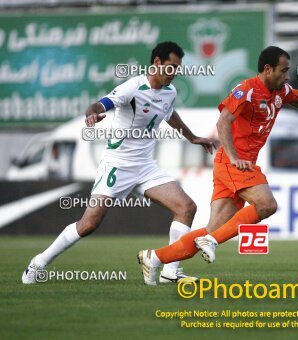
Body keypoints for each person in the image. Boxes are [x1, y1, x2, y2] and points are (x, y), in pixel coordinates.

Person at [137, 46, 298, 285]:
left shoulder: (281, 91)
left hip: (235, 164)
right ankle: (212, 243)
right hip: (234, 163)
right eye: (283, 71)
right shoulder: (247, 90)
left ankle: (156, 258)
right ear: (268, 69)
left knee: (213, 229)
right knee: (266, 205)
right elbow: (223, 123)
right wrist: (232, 157)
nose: (287, 76)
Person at [22, 41, 216, 285]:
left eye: (178, 68)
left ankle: (170, 271)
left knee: (186, 207)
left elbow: (169, 114)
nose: (175, 73)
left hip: (145, 167)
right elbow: (101, 104)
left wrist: (193, 137)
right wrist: (92, 113)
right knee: (89, 224)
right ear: (157, 63)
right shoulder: (133, 87)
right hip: (117, 164)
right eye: (171, 67)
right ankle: (39, 262)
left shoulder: (170, 92)